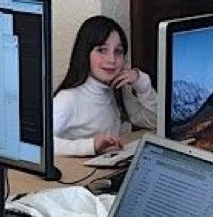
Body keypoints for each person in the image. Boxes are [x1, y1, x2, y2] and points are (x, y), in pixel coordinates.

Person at [52, 16, 158, 157]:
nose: (111, 59)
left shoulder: (116, 90)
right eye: (102, 50)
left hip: (105, 171)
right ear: (84, 53)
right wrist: (92, 145)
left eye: (118, 51)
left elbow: (154, 121)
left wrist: (142, 84)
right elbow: (39, 143)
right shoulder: (68, 98)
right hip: (77, 175)